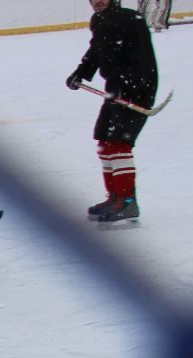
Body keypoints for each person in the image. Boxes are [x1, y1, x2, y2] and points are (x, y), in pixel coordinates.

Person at [66, 0, 158, 224]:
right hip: (115, 92)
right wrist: (81, 72)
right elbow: (96, 51)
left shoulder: (131, 19)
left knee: (119, 144)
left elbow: (145, 60)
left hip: (135, 93)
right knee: (104, 141)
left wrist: (133, 88)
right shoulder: (99, 20)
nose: (97, 2)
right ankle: (115, 196)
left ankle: (127, 201)